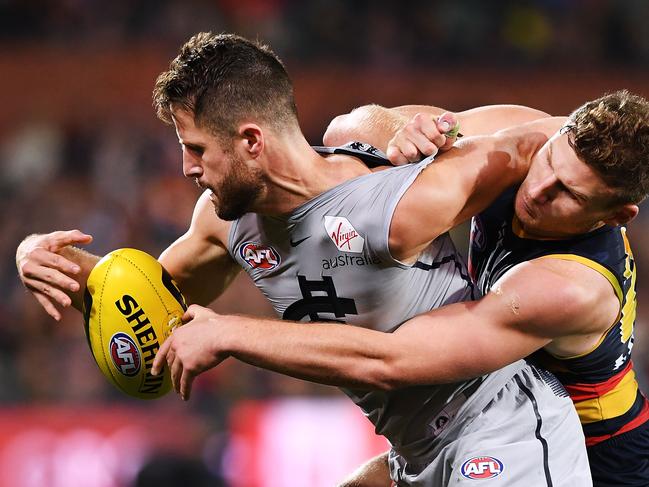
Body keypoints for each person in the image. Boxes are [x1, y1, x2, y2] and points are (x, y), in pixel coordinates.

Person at [15, 33, 590, 486]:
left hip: (501, 432)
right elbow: (148, 300)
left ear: (251, 141)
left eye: (196, 149)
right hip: (414, 456)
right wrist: (49, 259)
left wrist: (447, 126)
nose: (187, 168)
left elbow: (539, 139)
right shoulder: (224, 222)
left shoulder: (394, 200)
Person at [149, 90, 649, 486]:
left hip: (589, 451)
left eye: (568, 193)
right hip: (453, 427)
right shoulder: (536, 140)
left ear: (616, 215)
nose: (539, 189)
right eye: (550, 163)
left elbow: (394, 360)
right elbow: (358, 125)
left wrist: (232, 334)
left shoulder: (570, 287)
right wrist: (409, 133)